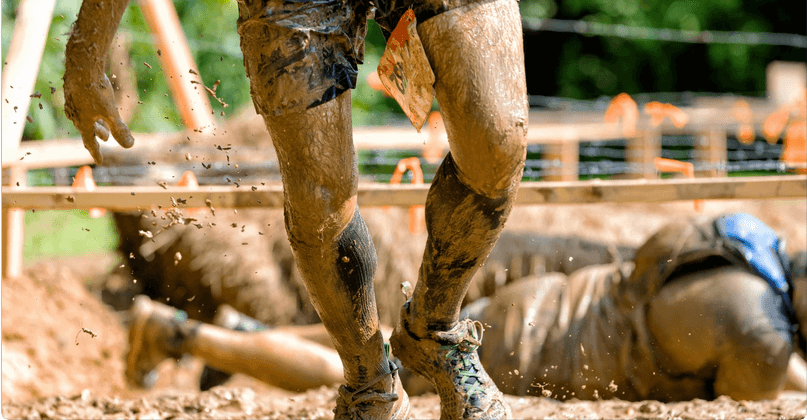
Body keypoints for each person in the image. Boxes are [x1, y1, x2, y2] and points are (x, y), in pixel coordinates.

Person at [62, 0, 644, 418]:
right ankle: (368, 378)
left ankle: (435, 330)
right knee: (321, 202)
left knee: (498, 139)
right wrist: (87, 50)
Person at [126, 213, 807, 402]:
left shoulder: (739, 237)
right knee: (372, 380)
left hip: (529, 304)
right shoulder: (760, 334)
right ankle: (181, 335)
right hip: (527, 353)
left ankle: (240, 332)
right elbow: (757, 386)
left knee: (379, 344)